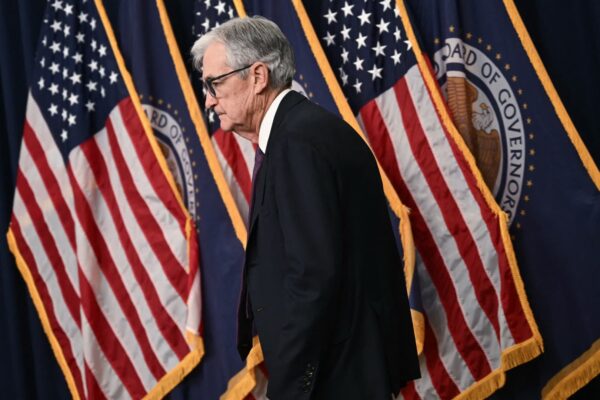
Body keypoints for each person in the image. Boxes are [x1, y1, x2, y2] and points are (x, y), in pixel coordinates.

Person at [191, 16, 420, 399]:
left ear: (258, 76)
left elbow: (313, 277)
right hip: (348, 368)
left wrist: (290, 387)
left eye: (215, 84)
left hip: (337, 376)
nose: (209, 100)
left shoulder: (297, 143)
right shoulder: (303, 132)